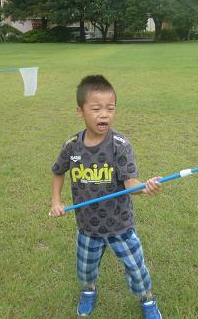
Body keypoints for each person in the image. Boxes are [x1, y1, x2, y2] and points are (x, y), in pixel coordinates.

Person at [50, 75, 163, 319]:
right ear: (80, 111)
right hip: (87, 226)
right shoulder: (72, 146)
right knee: (85, 269)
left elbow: (130, 182)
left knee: (136, 268)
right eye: (96, 109)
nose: (104, 115)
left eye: (110, 109)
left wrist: (145, 187)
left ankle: (147, 299)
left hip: (120, 225)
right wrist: (56, 202)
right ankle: (89, 291)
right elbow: (58, 171)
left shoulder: (120, 145)